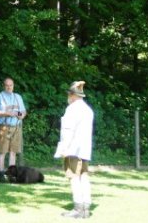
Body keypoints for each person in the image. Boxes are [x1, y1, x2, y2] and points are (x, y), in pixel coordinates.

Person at [54, 81, 94, 219]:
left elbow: (67, 131)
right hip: (84, 149)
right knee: (83, 176)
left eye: (69, 94)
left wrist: (64, 148)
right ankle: (86, 208)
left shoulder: (72, 109)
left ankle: (78, 208)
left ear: (72, 95)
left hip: (73, 148)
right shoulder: (88, 110)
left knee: (73, 177)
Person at [0, 77, 27, 178]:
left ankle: (11, 174)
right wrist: (6, 113)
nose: (9, 87)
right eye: (7, 85)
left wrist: (21, 115)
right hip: (4, 127)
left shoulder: (18, 97)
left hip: (16, 127)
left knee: (13, 152)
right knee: (2, 151)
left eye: (11, 85)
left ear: (13, 86)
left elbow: (23, 111)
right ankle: (1, 174)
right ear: (4, 86)